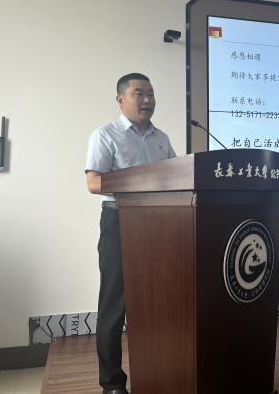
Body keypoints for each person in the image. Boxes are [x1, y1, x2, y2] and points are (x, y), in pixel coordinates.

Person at [85, 73, 176, 394]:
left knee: (157, 302)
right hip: (120, 222)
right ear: (121, 99)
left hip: (160, 224)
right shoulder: (105, 135)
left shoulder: (161, 138)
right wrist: (140, 183)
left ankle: (157, 370)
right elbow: (94, 182)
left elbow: (177, 176)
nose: (148, 100)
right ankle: (112, 383)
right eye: (140, 93)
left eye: (151, 93)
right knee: (115, 306)